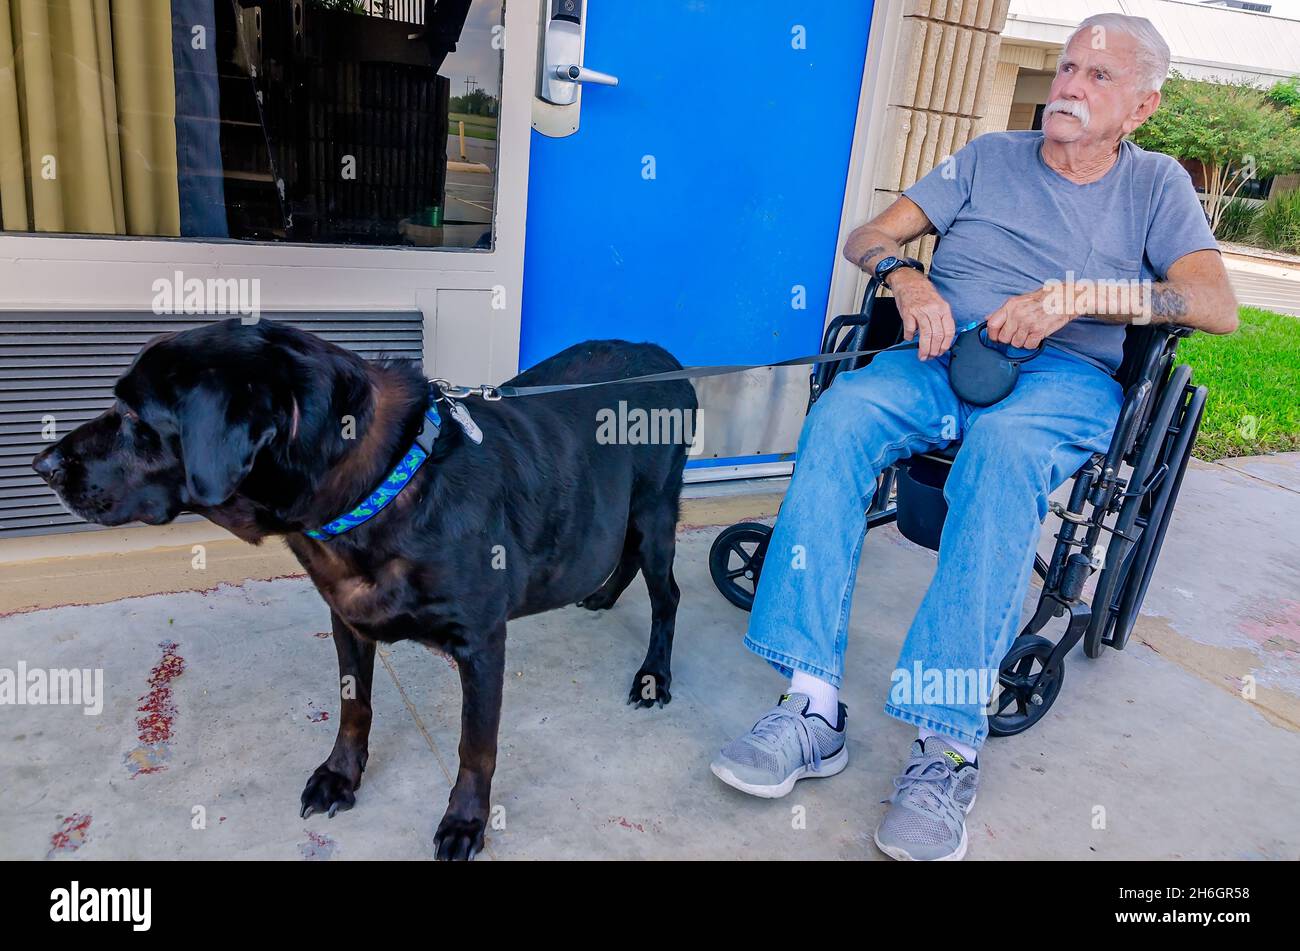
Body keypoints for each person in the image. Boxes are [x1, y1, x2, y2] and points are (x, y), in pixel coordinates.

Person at [710, 13, 1238, 861]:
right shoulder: (989, 157)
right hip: (939, 350)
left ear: (1142, 107)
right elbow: (869, 235)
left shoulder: (1157, 185)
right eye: (1067, 67)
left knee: (1004, 457)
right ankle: (811, 705)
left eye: (1098, 77)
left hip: (1063, 379)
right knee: (840, 415)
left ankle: (945, 744)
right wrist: (906, 275)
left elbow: (1216, 306)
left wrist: (1079, 297)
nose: (1069, 84)